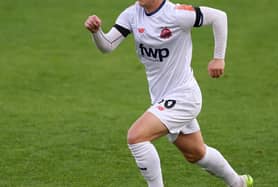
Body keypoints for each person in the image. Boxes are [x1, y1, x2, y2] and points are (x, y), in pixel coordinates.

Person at [84, 0, 253, 186]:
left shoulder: (177, 14)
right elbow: (108, 45)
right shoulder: (132, 14)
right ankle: (238, 183)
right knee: (196, 153)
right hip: (161, 98)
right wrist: (96, 32)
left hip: (183, 96)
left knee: (136, 137)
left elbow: (219, 16)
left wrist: (218, 58)